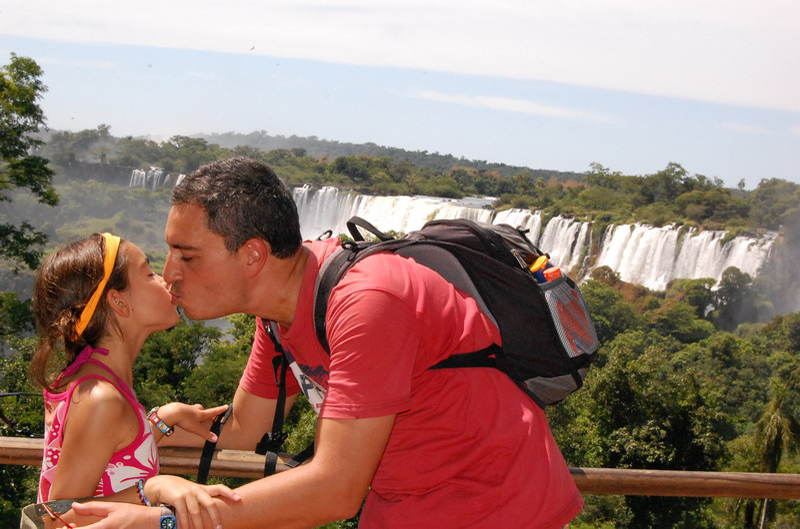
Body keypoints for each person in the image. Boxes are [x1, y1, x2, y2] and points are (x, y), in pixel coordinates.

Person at [74, 157, 583, 528]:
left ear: (253, 255)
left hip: (497, 510)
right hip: (402, 509)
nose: (171, 275)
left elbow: (336, 490)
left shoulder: (369, 300)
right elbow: (242, 430)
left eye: (188, 256)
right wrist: (140, 426)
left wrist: (162, 523)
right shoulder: (278, 313)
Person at [30, 233, 240, 528]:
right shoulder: (101, 400)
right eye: (149, 273)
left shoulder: (90, 379)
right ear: (119, 301)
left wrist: (162, 419)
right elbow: (56, 520)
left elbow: (109, 460)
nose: (165, 280)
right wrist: (151, 490)